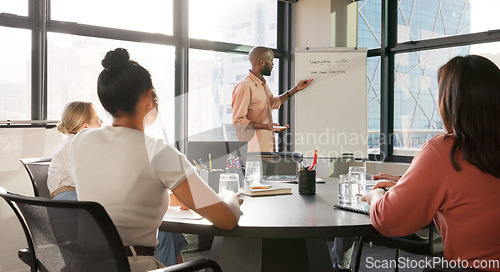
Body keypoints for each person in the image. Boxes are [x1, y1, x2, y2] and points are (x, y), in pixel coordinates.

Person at [71, 48, 242, 271]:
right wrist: (229, 196)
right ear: (148, 98)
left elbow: (119, 189)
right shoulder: (160, 153)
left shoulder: (81, 140)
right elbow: (226, 219)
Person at [362, 55, 500, 271]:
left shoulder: (445, 150)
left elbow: (389, 220)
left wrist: (375, 196)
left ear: (450, 101)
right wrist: (404, 183)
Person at [232, 46, 313, 152]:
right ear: (262, 62)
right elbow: (238, 121)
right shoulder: (244, 86)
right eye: (271, 60)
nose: (273, 64)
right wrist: (266, 126)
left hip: (268, 149)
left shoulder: (262, 84)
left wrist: (296, 89)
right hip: (254, 152)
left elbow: (272, 103)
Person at [47, 101, 102, 200]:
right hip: (66, 197)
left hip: (71, 193)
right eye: (98, 120)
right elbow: (82, 179)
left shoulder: (74, 142)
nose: (101, 123)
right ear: (85, 127)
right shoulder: (72, 144)